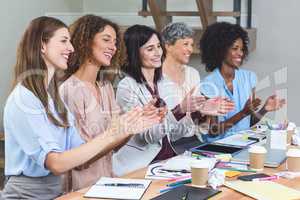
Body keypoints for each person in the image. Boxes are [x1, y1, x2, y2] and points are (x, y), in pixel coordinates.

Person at [2, 16, 161, 199]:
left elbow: (84, 154)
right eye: (63, 41)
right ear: (42, 46)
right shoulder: (25, 98)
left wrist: (128, 127)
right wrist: (114, 132)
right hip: (29, 194)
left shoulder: (53, 98)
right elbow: (57, 163)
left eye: (70, 41)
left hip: (58, 191)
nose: (71, 48)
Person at [112, 24, 233, 176]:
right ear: (135, 53)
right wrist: (180, 109)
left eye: (158, 46)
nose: (158, 53)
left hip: (167, 160)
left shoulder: (162, 83)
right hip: (142, 164)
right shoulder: (127, 86)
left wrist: (197, 112)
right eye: (150, 49)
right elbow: (147, 137)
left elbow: (172, 133)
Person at [60, 14, 130, 191]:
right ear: (86, 41)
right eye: (106, 40)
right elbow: (81, 161)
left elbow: (114, 146)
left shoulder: (105, 88)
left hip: (106, 182)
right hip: (80, 188)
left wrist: (133, 127)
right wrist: (124, 129)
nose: (113, 47)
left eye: (115, 42)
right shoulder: (70, 90)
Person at [199, 21, 285, 142]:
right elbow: (213, 131)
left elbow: (248, 123)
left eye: (242, 49)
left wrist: (264, 109)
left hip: (242, 144)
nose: (240, 53)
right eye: (235, 48)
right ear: (221, 50)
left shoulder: (249, 78)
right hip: (217, 149)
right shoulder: (208, 85)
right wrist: (243, 113)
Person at [160, 22, 235, 141]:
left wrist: (208, 109)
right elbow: (159, 124)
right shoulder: (155, 77)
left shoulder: (193, 73)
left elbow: (198, 119)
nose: (190, 49)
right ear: (168, 46)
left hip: (192, 139)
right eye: (185, 44)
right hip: (166, 143)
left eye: (191, 44)